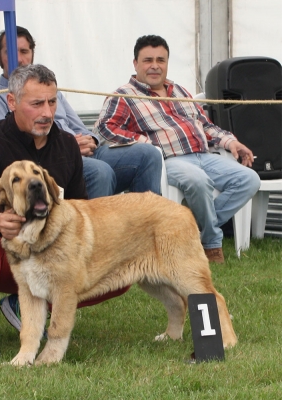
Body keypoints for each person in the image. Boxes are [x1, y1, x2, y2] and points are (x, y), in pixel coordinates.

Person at [0, 64, 129, 358]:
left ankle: (35, 305)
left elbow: (78, 203)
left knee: (116, 269)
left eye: (52, 102)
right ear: (12, 102)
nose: (47, 112)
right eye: (37, 104)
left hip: (46, 257)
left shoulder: (67, 144)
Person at [94, 35, 261, 264]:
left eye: (161, 60)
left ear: (167, 63)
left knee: (249, 179)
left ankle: (190, 230)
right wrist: (147, 145)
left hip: (205, 155)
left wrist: (231, 142)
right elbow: (105, 128)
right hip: (169, 160)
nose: (155, 65)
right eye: (148, 60)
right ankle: (211, 244)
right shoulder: (124, 95)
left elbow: (205, 125)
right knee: (198, 181)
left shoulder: (180, 91)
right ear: (135, 64)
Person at [0, 26, 162, 198]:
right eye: (10, 52)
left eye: (24, 51)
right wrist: (68, 146)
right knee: (100, 171)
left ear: (32, 54)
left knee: (148, 154)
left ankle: (147, 224)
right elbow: (7, 149)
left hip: (83, 152)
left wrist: (91, 140)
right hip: (50, 159)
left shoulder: (49, 88)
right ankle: (96, 232)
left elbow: (81, 127)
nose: (19, 58)